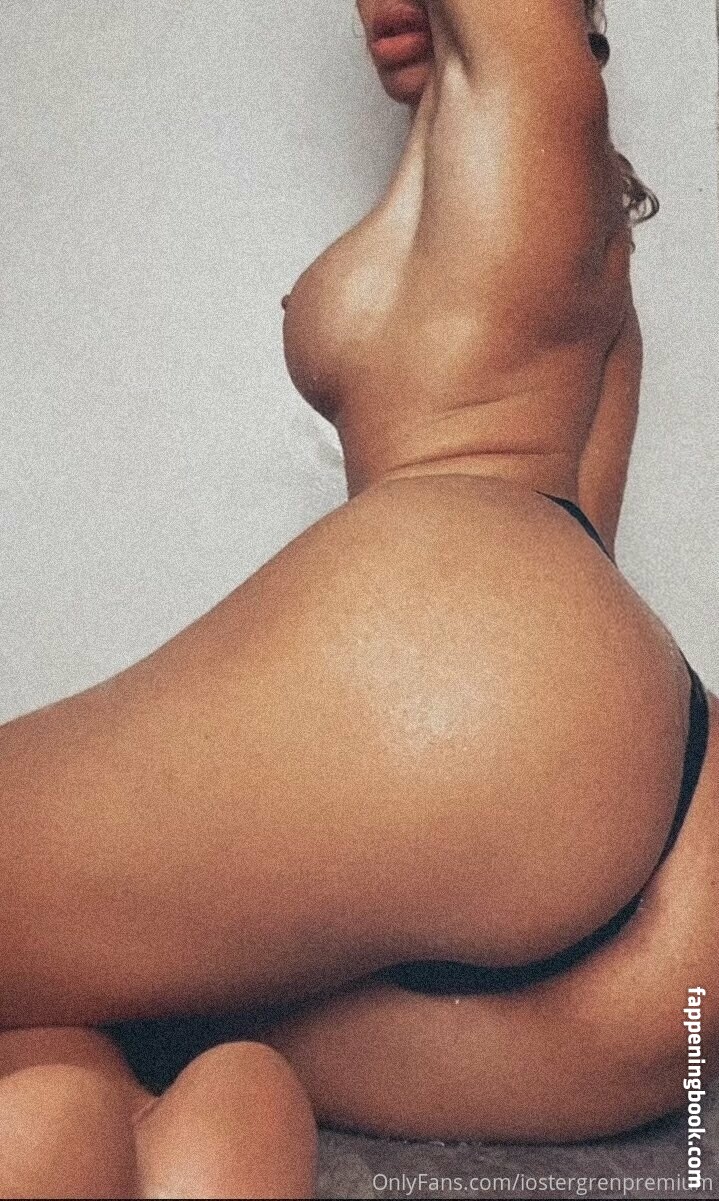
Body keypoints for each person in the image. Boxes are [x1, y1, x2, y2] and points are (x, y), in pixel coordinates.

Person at [0, 0, 715, 1189]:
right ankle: (133, 1130)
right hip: (653, 874)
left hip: (476, 671)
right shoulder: (558, 191)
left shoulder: (529, 83)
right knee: (112, 1019)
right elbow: (563, 620)